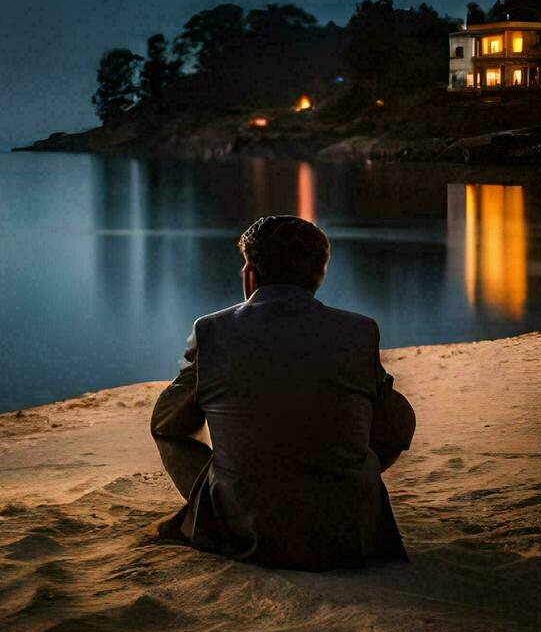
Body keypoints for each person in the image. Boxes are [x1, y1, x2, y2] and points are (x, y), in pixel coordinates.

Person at [150, 215, 414, 569]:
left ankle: (207, 512)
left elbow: (167, 420)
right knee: (387, 420)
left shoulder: (213, 332)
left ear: (250, 274)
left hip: (247, 525)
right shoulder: (359, 332)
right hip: (343, 532)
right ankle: (339, 494)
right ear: (318, 276)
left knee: (168, 426)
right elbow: (396, 425)